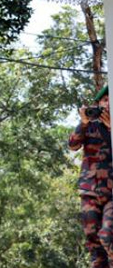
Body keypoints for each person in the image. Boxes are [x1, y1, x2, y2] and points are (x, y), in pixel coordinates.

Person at [70, 85, 113, 268]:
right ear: (98, 104)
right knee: (95, 247)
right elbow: (73, 145)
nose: (108, 104)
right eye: (104, 100)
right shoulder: (89, 126)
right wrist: (84, 122)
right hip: (90, 192)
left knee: (107, 235)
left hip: (112, 194)